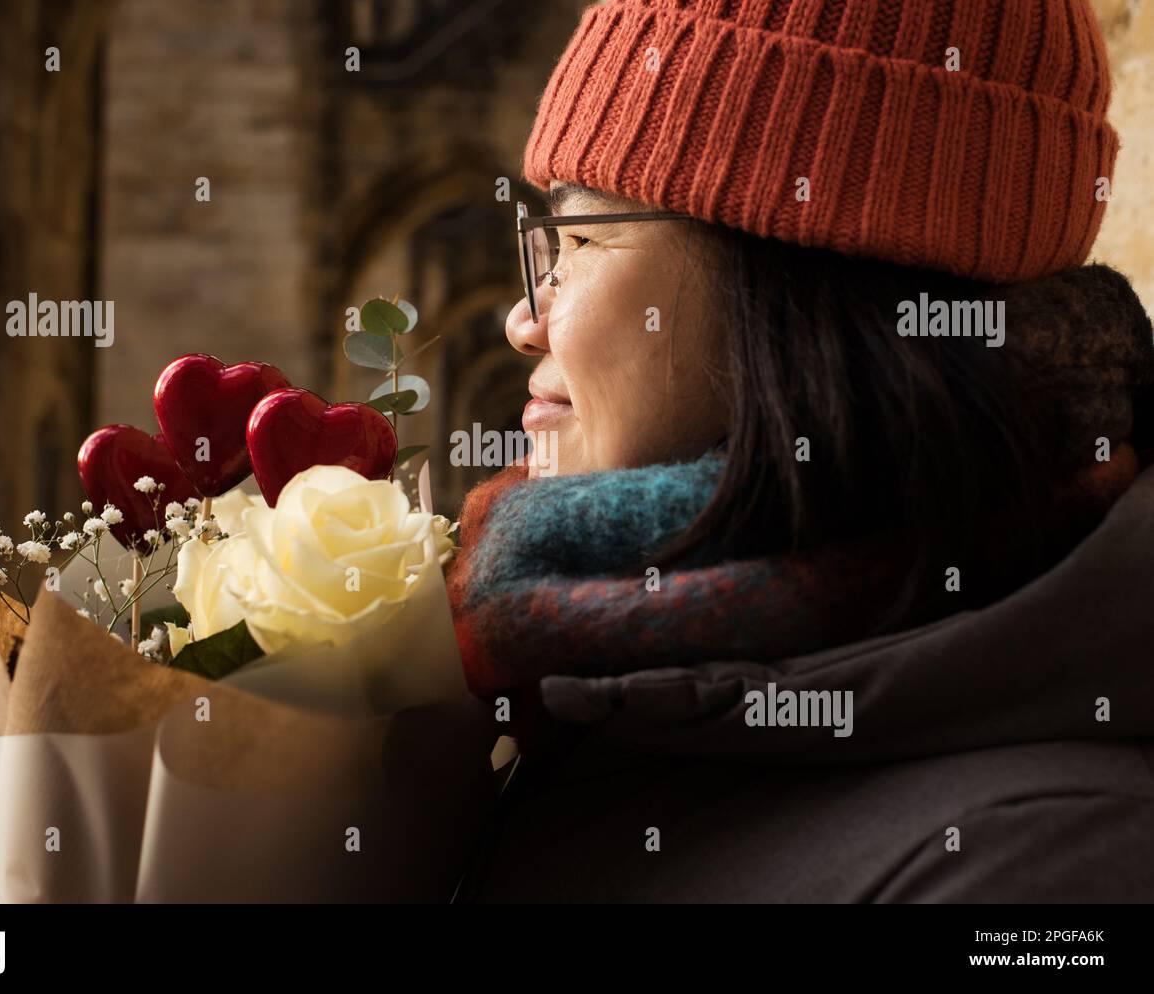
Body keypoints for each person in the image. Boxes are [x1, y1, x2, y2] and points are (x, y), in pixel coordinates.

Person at [445, 0, 1154, 901]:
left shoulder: (1045, 869)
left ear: (798, 298)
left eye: (581, 238)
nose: (523, 321)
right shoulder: (592, 676)